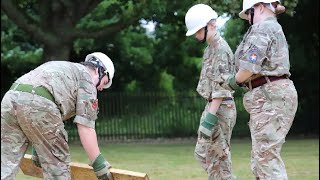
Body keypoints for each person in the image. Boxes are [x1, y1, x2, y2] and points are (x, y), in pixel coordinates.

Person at [1, 52, 115, 180]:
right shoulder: (87, 79)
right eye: (104, 82)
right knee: (58, 168)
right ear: (100, 71)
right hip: (40, 103)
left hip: (10, 98)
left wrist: (39, 148)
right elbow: (86, 127)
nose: (101, 88)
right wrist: (99, 165)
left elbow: (38, 100)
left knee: (5, 163)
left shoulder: (64, 68)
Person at [224, 0, 298, 179]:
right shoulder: (272, 26)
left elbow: (249, 66)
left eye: (249, 13)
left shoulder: (262, 28)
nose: (249, 19)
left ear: (260, 7)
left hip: (269, 96)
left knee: (266, 159)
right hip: (273, 94)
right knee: (263, 158)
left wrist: (233, 82)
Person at [185, 4, 237, 180]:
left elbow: (221, 88)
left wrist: (209, 119)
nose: (197, 36)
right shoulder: (210, 50)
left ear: (211, 25)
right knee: (203, 154)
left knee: (219, 156)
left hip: (220, 107)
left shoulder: (221, 49)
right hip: (212, 107)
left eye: (199, 31)